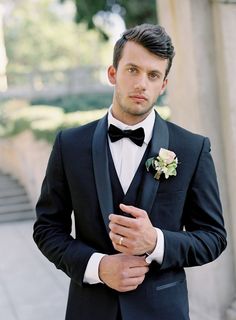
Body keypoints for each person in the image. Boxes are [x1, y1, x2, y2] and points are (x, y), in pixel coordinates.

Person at [33, 24, 227, 320]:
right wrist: (98, 266)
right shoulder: (69, 145)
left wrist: (156, 242)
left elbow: (213, 237)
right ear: (113, 73)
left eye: (153, 75)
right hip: (90, 310)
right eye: (133, 70)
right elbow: (47, 229)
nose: (142, 84)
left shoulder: (192, 148)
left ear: (163, 85)